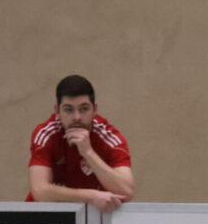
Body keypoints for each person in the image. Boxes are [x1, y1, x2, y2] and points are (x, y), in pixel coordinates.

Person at [27, 75, 134, 213]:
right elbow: (40, 191)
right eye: (68, 109)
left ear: (94, 109)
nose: (77, 117)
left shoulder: (109, 137)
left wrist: (88, 152)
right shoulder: (46, 134)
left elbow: (126, 191)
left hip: (94, 217)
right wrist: (91, 196)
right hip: (48, 217)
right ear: (57, 111)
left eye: (84, 109)